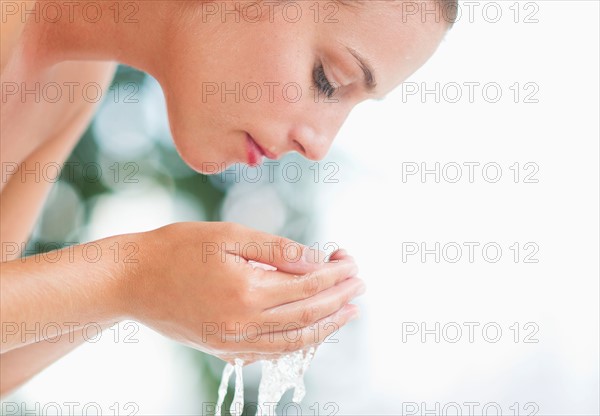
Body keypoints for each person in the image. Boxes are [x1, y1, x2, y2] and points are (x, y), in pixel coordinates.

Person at [0, 0, 455, 397]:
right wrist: (131, 273)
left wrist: (154, 290)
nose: (319, 146)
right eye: (327, 80)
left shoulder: (74, 81)